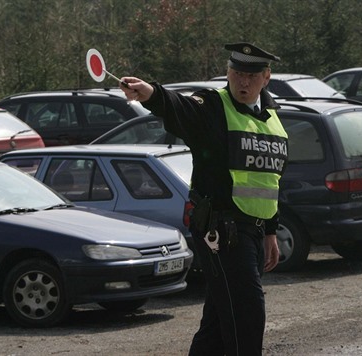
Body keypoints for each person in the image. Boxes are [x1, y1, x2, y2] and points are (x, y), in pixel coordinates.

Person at [120, 42, 287, 356]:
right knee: (247, 313)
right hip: (221, 230)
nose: (243, 82)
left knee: (217, 323)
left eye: (252, 75)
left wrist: (270, 231)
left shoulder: (272, 116)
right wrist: (152, 94)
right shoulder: (211, 106)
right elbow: (181, 107)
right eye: (237, 73)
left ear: (266, 77)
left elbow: (269, 179)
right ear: (228, 73)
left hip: (253, 230)